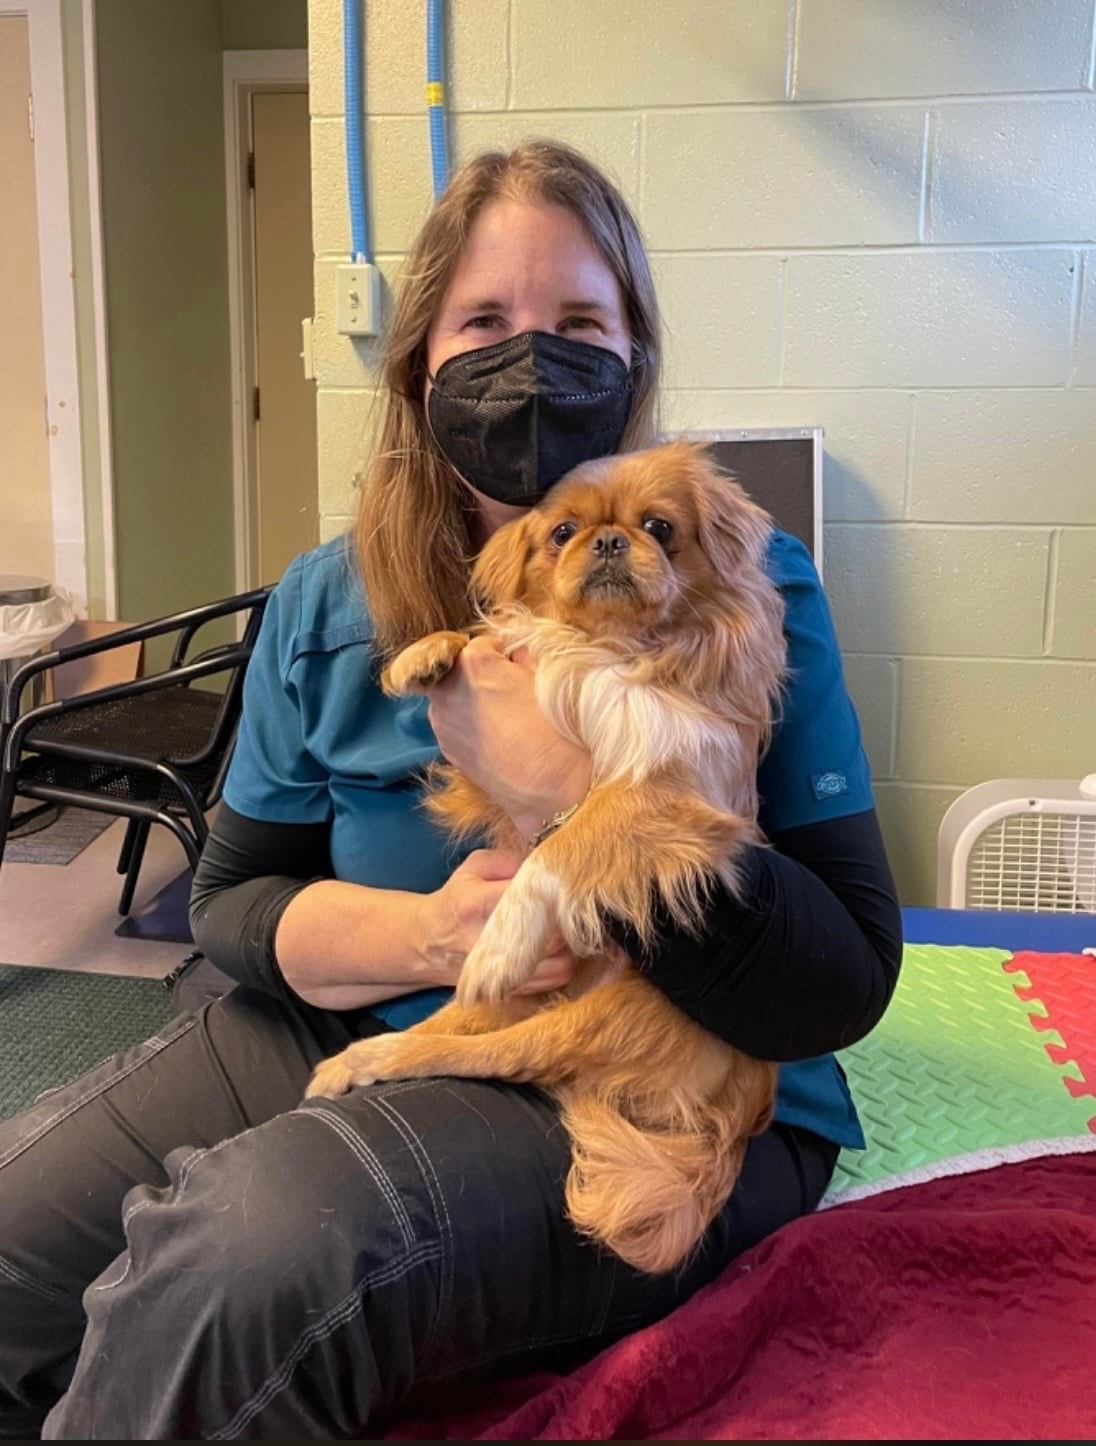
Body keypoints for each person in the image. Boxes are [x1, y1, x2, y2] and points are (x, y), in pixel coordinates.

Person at [0, 141, 902, 1441]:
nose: (533, 360)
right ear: (421, 357)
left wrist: (562, 806)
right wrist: (431, 930)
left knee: (241, 1260)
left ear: (636, 352)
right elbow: (235, 899)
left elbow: (845, 974)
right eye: (486, 320)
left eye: (581, 321)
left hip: (660, 1081)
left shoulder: (755, 590)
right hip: (361, 1008)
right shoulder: (324, 598)